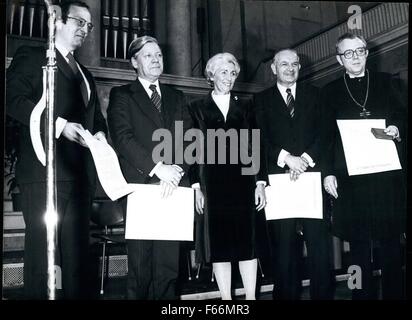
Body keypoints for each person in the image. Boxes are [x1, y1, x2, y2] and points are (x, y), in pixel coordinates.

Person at [6, 1, 108, 299]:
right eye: (79, 22)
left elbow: (95, 116)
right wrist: (60, 125)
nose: (85, 31)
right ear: (58, 22)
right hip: (45, 173)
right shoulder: (33, 57)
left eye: (89, 26)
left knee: (76, 259)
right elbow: (13, 100)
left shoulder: (85, 74)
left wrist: (100, 133)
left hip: (79, 178)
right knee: (45, 255)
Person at [320, 33, 406, 300]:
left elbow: (403, 117)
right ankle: (360, 295)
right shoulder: (329, 91)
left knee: (391, 242)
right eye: (348, 53)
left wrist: (397, 128)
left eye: (360, 51)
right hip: (351, 179)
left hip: (385, 176)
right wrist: (328, 173)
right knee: (357, 245)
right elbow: (325, 137)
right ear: (338, 59)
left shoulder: (387, 82)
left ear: (367, 53)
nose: (355, 57)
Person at [107, 36, 193, 300]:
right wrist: (158, 169)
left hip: (173, 186)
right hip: (140, 186)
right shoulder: (121, 95)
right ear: (134, 62)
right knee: (141, 267)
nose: (156, 60)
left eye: (159, 55)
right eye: (148, 55)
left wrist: (176, 170)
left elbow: (188, 138)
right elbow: (123, 138)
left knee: (168, 268)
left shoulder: (176, 96)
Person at [253, 49, 334, 300]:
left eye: (294, 64)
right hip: (279, 182)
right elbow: (257, 141)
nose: (290, 68)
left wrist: (306, 160)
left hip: (313, 180)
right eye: (284, 64)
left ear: (300, 67)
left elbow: (327, 134)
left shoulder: (317, 95)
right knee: (284, 253)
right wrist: (285, 157)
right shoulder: (259, 101)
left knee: (320, 250)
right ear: (274, 69)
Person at [189, 53, 267, 300]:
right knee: (219, 247)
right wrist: (196, 186)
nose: (230, 78)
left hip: (243, 183)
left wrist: (260, 184)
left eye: (233, 73)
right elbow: (191, 148)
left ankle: (251, 298)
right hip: (212, 184)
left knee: (248, 244)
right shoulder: (196, 108)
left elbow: (255, 147)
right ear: (211, 75)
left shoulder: (246, 106)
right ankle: (226, 299)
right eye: (224, 72)